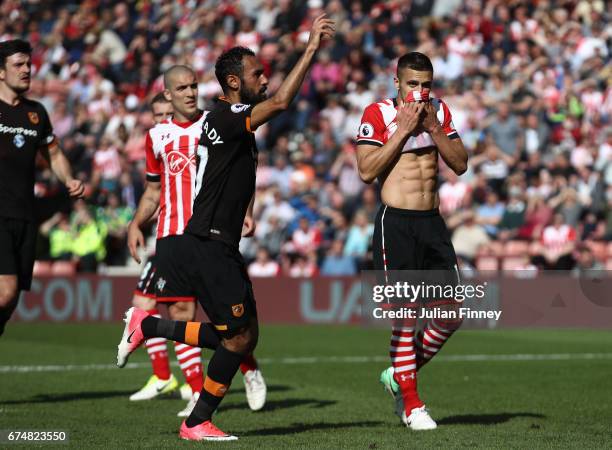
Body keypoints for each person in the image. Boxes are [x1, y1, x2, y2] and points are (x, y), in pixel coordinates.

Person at [117, 14, 335, 441]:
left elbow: (236, 175)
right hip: (206, 244)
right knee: (234, 339)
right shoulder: (226, 116)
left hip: (220, 243)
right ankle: (196, 420)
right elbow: (281, 105)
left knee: (243, 336)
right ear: (234, 83)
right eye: (257, 73)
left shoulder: (232, 124)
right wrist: (309, 50)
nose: (265, 77)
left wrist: (247, 209)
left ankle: (149, 329)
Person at [126, 78, 267, 415]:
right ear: (168, 97)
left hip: (209, 235)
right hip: (172, 236)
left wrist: (246, 211)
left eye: (193, 86)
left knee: (228, 325)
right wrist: (135, 223)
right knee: (176, 311)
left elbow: (245, 167)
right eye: (182, 88)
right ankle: (194, 391)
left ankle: (247, 368)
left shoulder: (214, 122)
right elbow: (152, 191)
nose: (190, 93)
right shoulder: (156, 137)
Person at [355, 52, 468, 430]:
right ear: (397, 83)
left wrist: (434, 127)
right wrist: (402, 130)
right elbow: (367, 171)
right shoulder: (377, 113)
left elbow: (460, 163)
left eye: (426, 84)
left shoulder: (439, 110)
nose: (419, 92)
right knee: (406, 317)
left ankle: (398, 375)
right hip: (397, 224)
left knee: (451, 313)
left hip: (432, 222)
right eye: (412, 84)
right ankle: (413, 404)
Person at [0, 39, 84, 336]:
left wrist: (68, 178)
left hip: (25, 215)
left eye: (28, 65)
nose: (26, 70)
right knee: (5, 292)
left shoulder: (36, 112)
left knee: (10, 302)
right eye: (18, 65)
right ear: (1, 72)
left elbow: (55, 154)